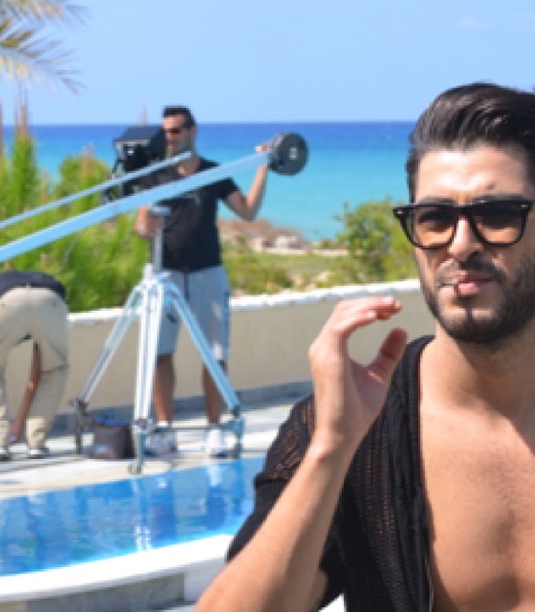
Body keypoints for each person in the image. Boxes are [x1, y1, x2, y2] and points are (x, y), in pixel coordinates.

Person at [196, 82, 535, 611]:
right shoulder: (354, 430)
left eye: (497, 214)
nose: (461, 244)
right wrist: (332, 450)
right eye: (435, 218)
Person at [135, 105, 269, 458]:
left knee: (215, 353)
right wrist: (146, 226)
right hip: (165, 273)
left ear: (192, 132)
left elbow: (247, 211)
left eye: (175, 131)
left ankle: (214, 428)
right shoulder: (155, 175)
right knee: (159, 353)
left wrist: (263, 167)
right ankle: (164, 429)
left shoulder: (213, 173)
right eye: (165, 131)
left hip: (208, 272)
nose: (169, 137)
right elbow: (140, 223)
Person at [0, 269, 69, 462]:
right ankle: (36, 443)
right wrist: (20, 426)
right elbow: (39, 371)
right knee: (54, 370)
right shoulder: (44, 286)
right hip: (50, 300)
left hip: (6, 302)